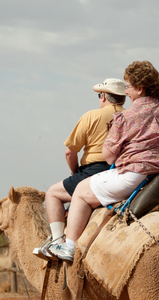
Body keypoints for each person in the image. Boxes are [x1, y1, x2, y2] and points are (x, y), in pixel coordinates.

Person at [48, 46, 159, 262]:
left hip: (135, 177)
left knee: (80, 191)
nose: (126, 92)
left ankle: (68, 247)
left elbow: (108, 156)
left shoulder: (125, 117)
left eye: (128, 87)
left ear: (140, 89)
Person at [33, 78, 126, 260]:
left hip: (93, 172)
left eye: (100, 95)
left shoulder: (91, 116)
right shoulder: (131, 116)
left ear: (104, 96)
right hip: (122, 174)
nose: (100, 98)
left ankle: (58, 242)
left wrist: (75, 173)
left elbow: (70, 152)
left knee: (52, 193)